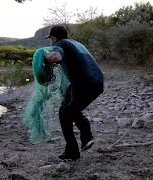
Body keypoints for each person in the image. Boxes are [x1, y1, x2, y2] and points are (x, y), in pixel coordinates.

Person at [45, 25, 104, 161]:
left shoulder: (60, 44)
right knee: (71, 110)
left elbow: (55, 56)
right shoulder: (75, 43)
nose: (50, 42)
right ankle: (84, 138)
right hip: (96, 83)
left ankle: (75, 148)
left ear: (53, 38)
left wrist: (43, 58)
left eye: (50, 39)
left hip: (84, 84)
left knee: (64, 112)